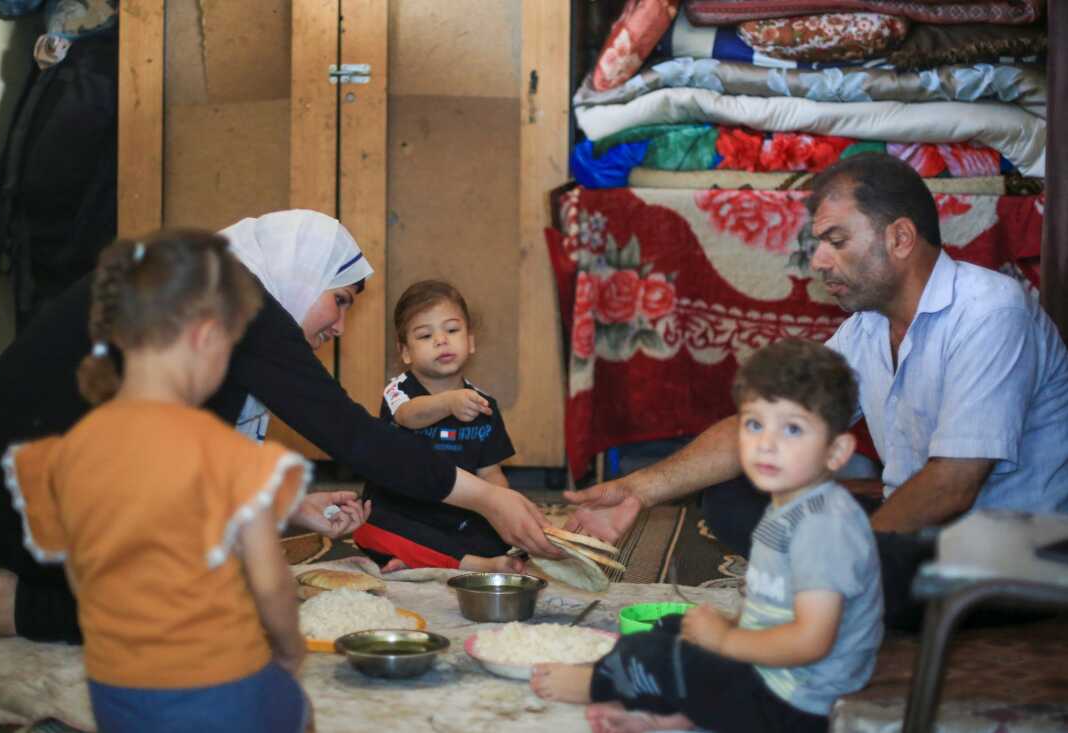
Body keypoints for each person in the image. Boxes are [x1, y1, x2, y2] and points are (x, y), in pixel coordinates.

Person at [0, 209, 559, 642]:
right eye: (342, 299)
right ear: (302, 271)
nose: (339, 326)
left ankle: (35, 582)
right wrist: (485, 497)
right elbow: (354, 436)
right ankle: (8, 607)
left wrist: (289, 507)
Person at [564, 154, 1068, 628]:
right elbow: (760, 426)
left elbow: (954, 483)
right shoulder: (870, 325)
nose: (820, 262)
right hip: (918, 535)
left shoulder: (989, 310)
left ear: (900, 237)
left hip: (1006, 553)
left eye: (836, 241)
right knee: (736, 493)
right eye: (818, 244)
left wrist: (847, 560)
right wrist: (637, 489)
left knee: (849, 567)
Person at [3, 232, 314, 732]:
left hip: (115, 691)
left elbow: (80, 571)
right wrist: (288, 649)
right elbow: (270, 582)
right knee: (296, 707)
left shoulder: (70, 450)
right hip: (221, 687)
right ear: (206, 337)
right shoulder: (222, 451)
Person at [531, 339, 883, 733]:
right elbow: (779, 607)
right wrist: (730, 627)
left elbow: (812, 643)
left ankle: (594, 685)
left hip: (797, 702)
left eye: (793, 429)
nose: (766, 444)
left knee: (653, 656)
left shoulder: (824, 528)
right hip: (777, 671)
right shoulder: (792, 504)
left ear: (836, 451)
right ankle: (686, 712)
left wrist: (726, 642)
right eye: (754, 424)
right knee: (670, 628)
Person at [353, 281, 526, 574]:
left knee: (500, 537)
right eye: (425, 335)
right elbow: (408, 415)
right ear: (405, 352)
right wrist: (448, 403)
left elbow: (490, 473)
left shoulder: (484, 405)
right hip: (402, 511)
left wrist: (509, 511)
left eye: (452, 330)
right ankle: (476, 566)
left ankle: (421, 562)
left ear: (470, 341)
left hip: (456, 516)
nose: (441, 340)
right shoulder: (398, 392)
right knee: (368, 527)